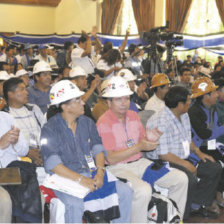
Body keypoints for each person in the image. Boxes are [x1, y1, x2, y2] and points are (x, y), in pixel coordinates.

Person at [97, 76, 188, 222]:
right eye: (118, 99)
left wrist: (150, 138)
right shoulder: (103, 122)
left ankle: (173, 218)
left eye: (126, 98)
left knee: (181, 179)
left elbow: (142, 141)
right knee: (143, 191)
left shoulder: (133, 115)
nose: (124, 103)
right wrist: (139, 146)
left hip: (140, 163)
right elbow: (111, 158)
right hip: (117, 168)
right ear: (108, 102)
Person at [40, 80, 133, 223]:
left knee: (125, 191)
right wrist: (80, 179)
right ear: (65, 106)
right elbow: (53, 164)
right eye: (78, 100)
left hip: (91, 172)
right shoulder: (49, 129)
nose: (83, 103)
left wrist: (100, 172)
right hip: (65, 178)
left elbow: (98, 148)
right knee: (74, 204)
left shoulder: (87, 122)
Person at [146, 85, 222, 219]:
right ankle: (182, 216)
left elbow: (188, 139)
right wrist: (186, 164)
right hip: (163, 161)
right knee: (189, 177)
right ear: (179, 104)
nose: (190, 103)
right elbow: (163, 154)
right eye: (188, 100)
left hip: (182, 156)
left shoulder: (184, 114)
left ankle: (197, 204)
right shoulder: (161, 121)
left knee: (214, 167)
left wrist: (199, 153)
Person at [189, 77, 224, 209]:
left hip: (210, 145)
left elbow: (214, 132)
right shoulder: (194, 112)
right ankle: (206, 200)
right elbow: (205, 135)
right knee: (217, 165)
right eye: (214, 92)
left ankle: (218, 193)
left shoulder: (212, 108)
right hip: (197, 149)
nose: (217, 94)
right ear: (205, 96)